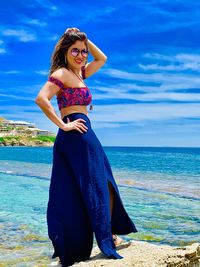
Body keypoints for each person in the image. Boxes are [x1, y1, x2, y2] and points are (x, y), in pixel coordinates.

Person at [35, 27, 138, 267]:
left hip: (85, 133)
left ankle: (107, 231)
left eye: (83, 51)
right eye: (75, 50)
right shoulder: (61, 73)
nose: (81, 55)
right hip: (75, 133)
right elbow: (41, 98)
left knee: (104, 184)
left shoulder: (80, 73)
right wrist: (63, 125)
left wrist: (85, 39)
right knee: (94, 186)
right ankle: (104, 237)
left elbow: (102, 58)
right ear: (65, 51)